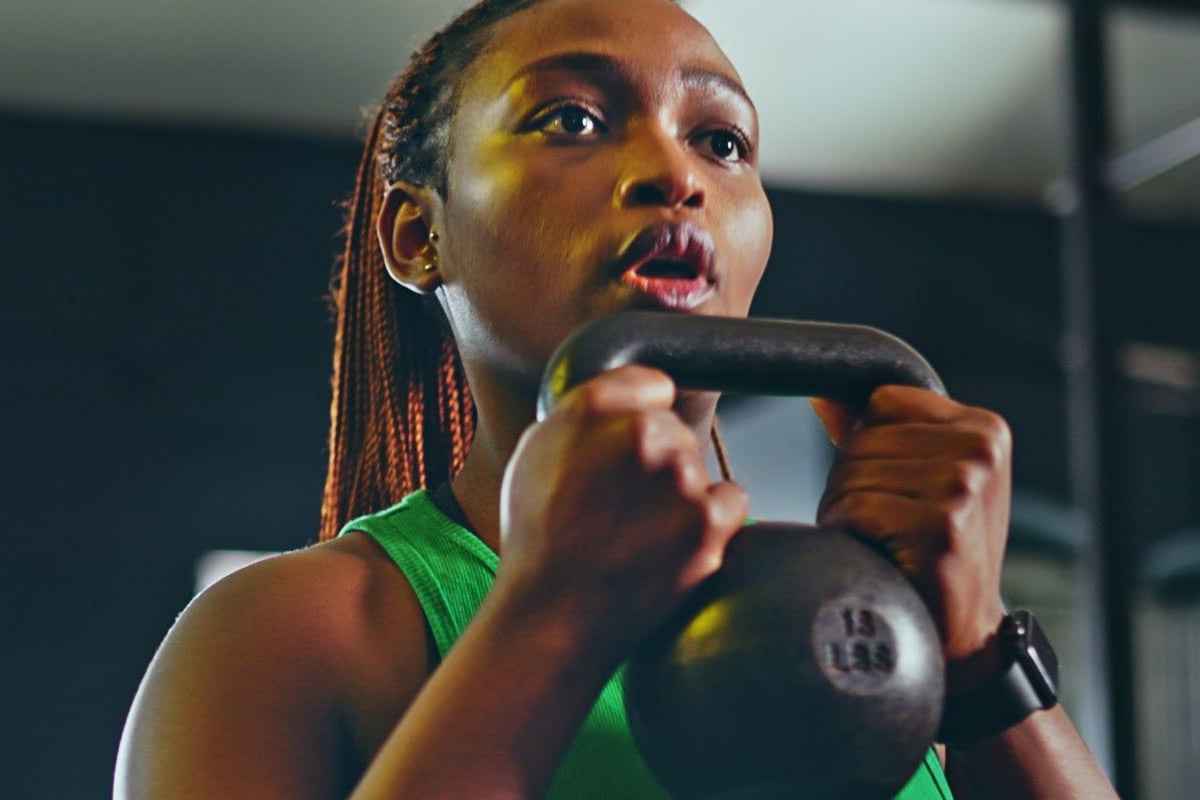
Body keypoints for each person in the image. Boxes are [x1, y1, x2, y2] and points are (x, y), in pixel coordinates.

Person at [114, 0, 1120, 797]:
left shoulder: (877, 633)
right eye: (573, 120)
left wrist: (981, 652)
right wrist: (554, 616)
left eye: (721, 141)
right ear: (420, 235)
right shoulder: (294, 627)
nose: (675, 174)